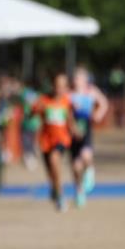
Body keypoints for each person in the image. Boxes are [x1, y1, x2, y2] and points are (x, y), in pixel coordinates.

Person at [34, 72, 78, 212]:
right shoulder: (44, 100)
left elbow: (70, 121)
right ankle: (55, 188)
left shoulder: (67, 102)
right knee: (50, 172)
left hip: (61, 139)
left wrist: (75, 131)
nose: (59, 89)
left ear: (66, 88)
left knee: (55, 161)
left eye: (62, 86)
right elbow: (31, 113)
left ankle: (60, 196)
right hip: (46, 140)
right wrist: (37, 110)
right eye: (57, 85)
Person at [70, 66, 109, 207]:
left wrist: (98, 114)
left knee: (86, 156)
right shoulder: (70, 94)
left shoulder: (91, 91)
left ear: (85, 79)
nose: (76, 80)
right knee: (76, 167)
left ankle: (90, 171)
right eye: (75, 77)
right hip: (73, 131)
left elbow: (104, 103)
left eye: (79, 77)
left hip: (86, 128)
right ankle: (79, 191)